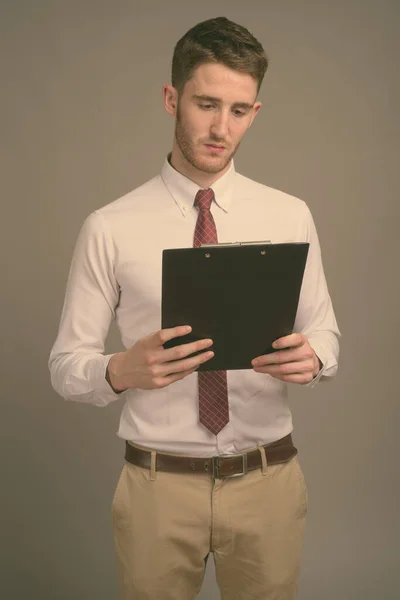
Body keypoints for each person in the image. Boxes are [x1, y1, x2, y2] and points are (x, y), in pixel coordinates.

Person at [49, 16, 340, 600]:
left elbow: (326, 333)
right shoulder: (110, 226)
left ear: (255, 112)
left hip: (268, 483)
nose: (220, 128)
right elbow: (64, 365)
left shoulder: (290, 215)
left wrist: (314, 358)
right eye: (206, 104)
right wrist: (116, 371)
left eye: (239, 110)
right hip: (158, 487)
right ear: (171, 98)